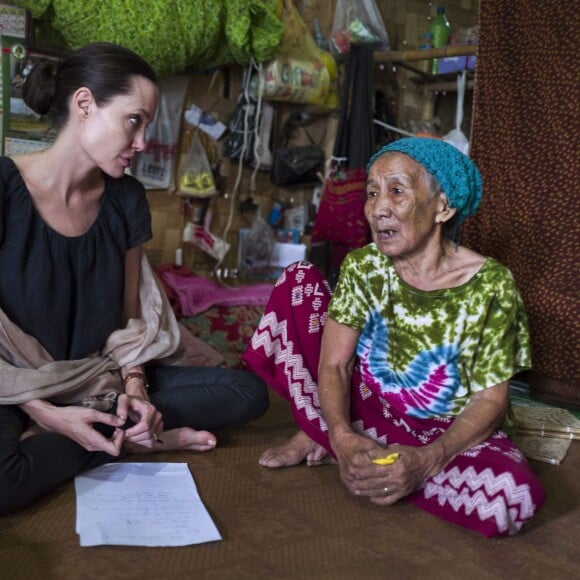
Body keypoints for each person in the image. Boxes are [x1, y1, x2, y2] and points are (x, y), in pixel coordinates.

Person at [0, 42, 268, 515]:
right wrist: (45, 412)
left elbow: (130, 319)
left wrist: (136, 390)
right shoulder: (3, 187)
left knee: (245, 394)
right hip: (11, 384)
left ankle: (109, 428)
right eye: (133, 120)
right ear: (84, 105)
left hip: (95, 378)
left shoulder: (124, 199)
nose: (143, 141)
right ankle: (125, 439)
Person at [242, 137, 545, 538]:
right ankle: (339, 439)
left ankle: (376, 457)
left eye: (397, 191)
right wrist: (341, 433)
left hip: (445, 429)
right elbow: (335, 364)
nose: (377, 207)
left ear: (443, 207)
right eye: (372, 192)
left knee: (511, 499)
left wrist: (428, 459)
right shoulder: (364, 267)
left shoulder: (492, 286)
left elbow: (490, 399)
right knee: (298, 279)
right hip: (368, 406)